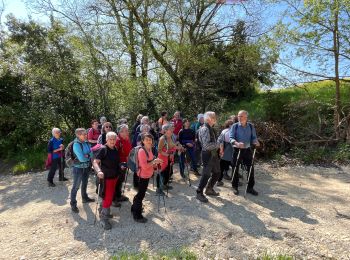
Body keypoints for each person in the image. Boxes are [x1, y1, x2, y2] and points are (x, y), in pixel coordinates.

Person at [131, 133, 163, 223]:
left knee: (141, 193)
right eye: (146, 140)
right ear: (143, 141)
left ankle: (134, 208)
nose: (149, 141)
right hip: (142, 176)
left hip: (147, 175)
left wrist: (156, 163)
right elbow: (144, 166)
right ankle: (137, 215)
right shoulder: (142, 151)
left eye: (150, 139)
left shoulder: (149, 149)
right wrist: (154, 161)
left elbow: (150, 162)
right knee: (141, 195)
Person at [93, 131, 121, 230]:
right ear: (107, 140)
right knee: (108, 197)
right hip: (106, 177)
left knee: (108, 196)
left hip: (114, 176)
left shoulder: (115, 148)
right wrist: (98, 171)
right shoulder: (103, 149)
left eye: (114, 139)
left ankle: (102, 210)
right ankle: (104, 219)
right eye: (110, 139)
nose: (112, 141)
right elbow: (95, 162)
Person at [229, 110, 260, 196]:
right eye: (238, 116)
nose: (239, 118)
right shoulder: (234, 126)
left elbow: (254, 137)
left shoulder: (250, 126)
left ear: (246, 117)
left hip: (247, 150)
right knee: (235, 168)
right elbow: (231, 138)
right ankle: (234, 187)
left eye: (241, 116)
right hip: (237, 150)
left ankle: (250, 187)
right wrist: (237, 143)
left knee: (250, 168)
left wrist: (256, 141)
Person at [196, 112, 221, 203]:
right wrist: (218, 144)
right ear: (208, 118)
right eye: (213, 117)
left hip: (213, 153)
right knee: (206, 174)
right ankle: (199, 193)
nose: (215, 118)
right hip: (207, 154)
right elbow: (206, 146)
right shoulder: (205, 129)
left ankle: (209, 189)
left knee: (217, 172)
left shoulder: (210, 128)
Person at [70, 128, 95, 213]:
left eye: (85, 134)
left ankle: (85, 198)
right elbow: (82, 159)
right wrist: (87, 156)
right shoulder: (76, 144)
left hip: (87, 167)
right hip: (78, 168)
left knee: (85, 184)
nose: (85, 135)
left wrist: (87, 155)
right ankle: (73, 204)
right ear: (78, 135)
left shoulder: (86, 142)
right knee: (76, 187)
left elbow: (91, 154)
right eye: (83, 134)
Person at [157, 124, 183, 193]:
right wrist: (168, 155)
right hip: (162, 158)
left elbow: (172, 146)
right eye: (170, 129)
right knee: (162, 173)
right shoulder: (162, 139)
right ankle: (158, 189)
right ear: (165, 130)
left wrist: (179, 147)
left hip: (168, 157)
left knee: (167, 172)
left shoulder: (169, 137)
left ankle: (164, 185)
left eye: (171, 128)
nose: (172, 130)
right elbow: (159, 150)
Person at [113, 124, 132, 206]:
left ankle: (119, 195)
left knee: (121, 180)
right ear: (119, 132)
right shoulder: (117, 140)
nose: (126, 132)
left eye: (127, 131)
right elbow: (114, 154)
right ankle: (114, 198)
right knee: (116, 181)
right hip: (118, 164)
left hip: (125, 163)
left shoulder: (127, 139)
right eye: (123, 131)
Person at [217, 120, 234, 186]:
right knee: (234, 166)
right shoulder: (229, 131)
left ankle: (219, 180)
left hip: (223, 151)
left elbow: (219, 140)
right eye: (232, 124)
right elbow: (231, 140)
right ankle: (234, 181)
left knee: (222, 166)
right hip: (228, 151)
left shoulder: (223, 131)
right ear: (229, 125)